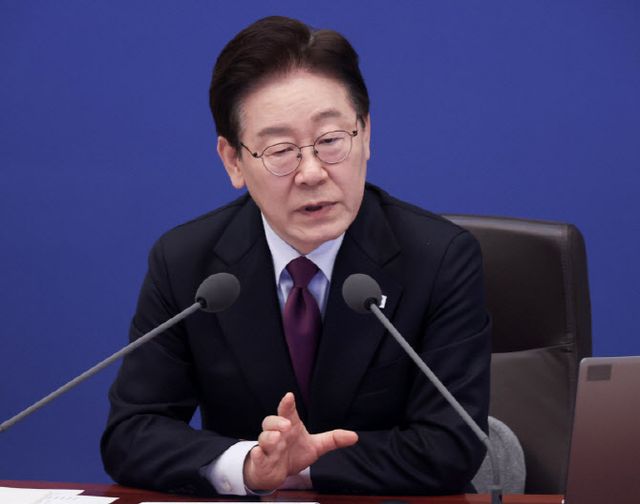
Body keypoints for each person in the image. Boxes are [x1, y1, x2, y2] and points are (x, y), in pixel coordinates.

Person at [100, 15, 491, 497]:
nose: (311, 173)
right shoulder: (187, 264)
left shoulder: (438, 259)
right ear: (233, 161)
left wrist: (301, 468)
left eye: (330, 141)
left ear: (366, 134)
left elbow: (452, 445)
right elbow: (131, 434)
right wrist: (247, 465)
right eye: (281, 150)